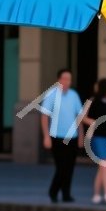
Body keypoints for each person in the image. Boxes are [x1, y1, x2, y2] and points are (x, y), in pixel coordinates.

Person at [39, 68, 83, 203]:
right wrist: (46, 136)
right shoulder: (51, 95)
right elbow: (44, 117)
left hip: (72, 137)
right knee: (61, 167)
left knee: (69, 167)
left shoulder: (74, 95)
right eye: (64, 79)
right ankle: (53, 191)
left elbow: (79, 117)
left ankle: (66, 194)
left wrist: (81, 136)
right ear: (58, 80)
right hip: (56, 137)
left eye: (69, 79)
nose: (67, 82)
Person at [81, 78, 106, 204]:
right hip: (97, 136)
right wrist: (93, 122)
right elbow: (83, 117)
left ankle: (97, 194)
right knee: (105, 164)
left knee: (103, 166)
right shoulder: (92, 100)